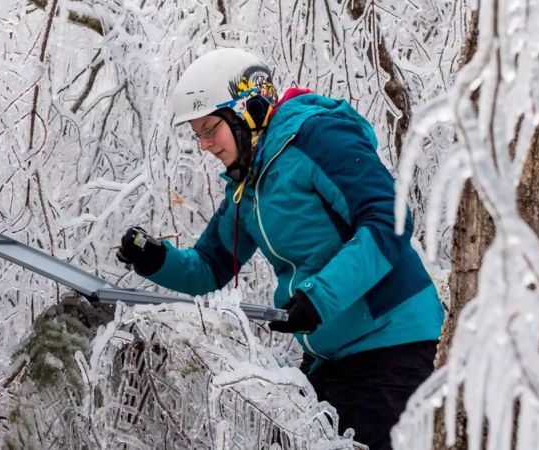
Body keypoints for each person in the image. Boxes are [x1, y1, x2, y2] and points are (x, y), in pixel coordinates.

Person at [115, 48, 444, 450]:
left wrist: (319, 298)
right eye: (196, 134)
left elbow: (388, 222)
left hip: (392, 345)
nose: (204, 144)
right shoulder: (248, 183)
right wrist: (155, 259)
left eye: (209, 129)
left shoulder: (317, 137)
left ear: (247, 111)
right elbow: (210, 267)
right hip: (331, 355)